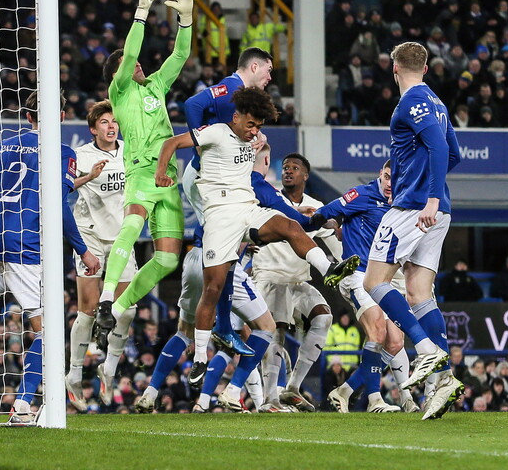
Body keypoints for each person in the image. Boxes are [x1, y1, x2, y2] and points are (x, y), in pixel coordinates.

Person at [153, 88, 358, 401]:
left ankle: (329, 269)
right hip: (219, 217)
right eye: (250, 125)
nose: (254, 131)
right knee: (213, 289)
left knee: (288, 226)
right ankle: (199, 360)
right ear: (235, 117)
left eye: (259, 127)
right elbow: (171, 143)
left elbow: (259, 171)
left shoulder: (251, 142)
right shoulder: (217, 132)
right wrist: (160, 173)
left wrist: (259, 142)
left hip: (247, 209)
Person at [0, 92, 100, 424]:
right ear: (60, 116)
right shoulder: (61, 151)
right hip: (25, 246)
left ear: (27, 117)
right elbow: (58, 206)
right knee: (46, 329)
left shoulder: (0, 147)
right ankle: (23, 406)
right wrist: (82, 249)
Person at [134, 142, 306, 413]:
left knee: (185, 331)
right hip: (223, 263)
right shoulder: (248, 183)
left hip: (195, 258)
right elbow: (284, 214)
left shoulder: (198, 178)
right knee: (264, 327)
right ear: (262, 161)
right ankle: (233, 391)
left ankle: (151, 392)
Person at [362, 41, 463, 421]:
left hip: (414, 206)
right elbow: (454, 154)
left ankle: (425, 351)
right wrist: (436, 196)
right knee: (420, 291)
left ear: (394, 69)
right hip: (438, 209)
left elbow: (439, 146)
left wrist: (427, 196)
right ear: (425, 67)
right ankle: (443, 381)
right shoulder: (437, 103)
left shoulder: (409, 103)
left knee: (375, 282)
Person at [94, 0, 196, 345]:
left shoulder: (154, 86)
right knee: (131, 227)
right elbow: (131, 54)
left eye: (135, 62)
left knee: (168, 259)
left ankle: (117, 311)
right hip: (141, 171)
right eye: (127, 62)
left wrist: (186, 20)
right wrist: (141, 13)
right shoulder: (119, 92)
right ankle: (105, 300)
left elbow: (180, 56)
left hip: (168, 175)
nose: (135, 64)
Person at [181, 46, 274, 356]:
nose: (270, 78)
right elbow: (192, 103)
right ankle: (221, 325)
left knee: (228, 248)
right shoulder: (232, 86)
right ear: (255, 66)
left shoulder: (242, 100)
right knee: (225, 249)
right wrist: (198, 143)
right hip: (203, 179)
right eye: (268, 71)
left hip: (215, 180)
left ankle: (222, 323)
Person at [312, 161, 416, 413]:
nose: (391, 184)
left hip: (384, 277)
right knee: (378, 332)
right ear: (380, 175)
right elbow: (328, 211)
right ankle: (374, 400)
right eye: (388, 177)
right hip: (357, 274)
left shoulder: (401, 202)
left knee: (394, 342)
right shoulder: (361, 194)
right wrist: (327, 223)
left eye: (396, 179)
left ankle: (344, 391)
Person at [252, 153, 341, 412]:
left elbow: (336, 243)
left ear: (305, 175)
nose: (288, 171)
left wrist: (346, 261)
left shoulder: (315, 206)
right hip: (269, 277)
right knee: (275, 332)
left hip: (298, 281)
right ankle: (270, 399)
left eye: (295, 168)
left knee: (324, 317)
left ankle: (292, 388)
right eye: (286, 168)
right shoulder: (269, 200)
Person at [66, 101, 136, 411]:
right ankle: (74, 374)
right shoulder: (81, 156)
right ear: (93, 129)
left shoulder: (130, 151)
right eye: (104, 122)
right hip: (89, 234)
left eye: (114, 121)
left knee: (128, 309)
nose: (111, 126)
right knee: (88, 311)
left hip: (122, 235)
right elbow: (63, 188)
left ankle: (108, 369)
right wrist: (88, 177)